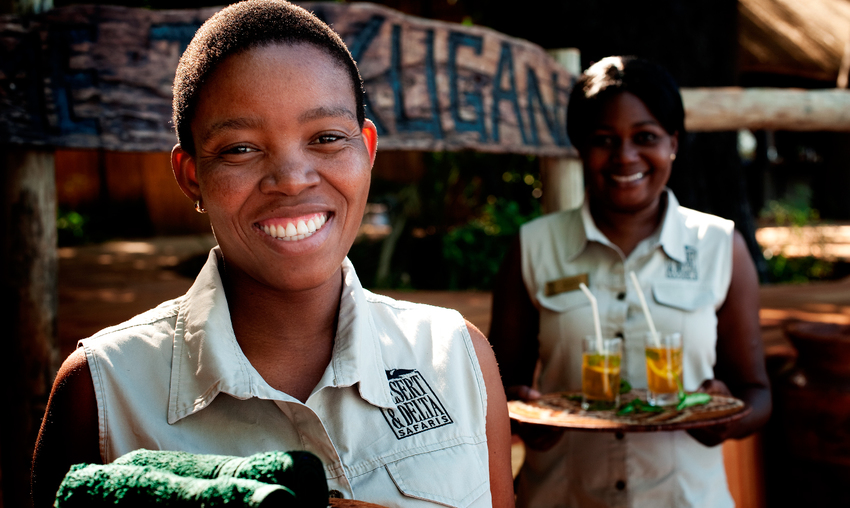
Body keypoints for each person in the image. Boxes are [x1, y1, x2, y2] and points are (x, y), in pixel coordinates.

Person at [31, 1, 514, 506]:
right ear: (191, 175)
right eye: (240, 148)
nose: (291, 179)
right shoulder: (104, 392)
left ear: (367, 149)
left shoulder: (456, 357)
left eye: (327, 138)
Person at [489, 56, 771, 508]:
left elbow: (757, 394)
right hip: (563, 497)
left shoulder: (720, 246)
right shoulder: (533, 247)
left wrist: (725, 417)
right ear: (580, 147)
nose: (625, 157)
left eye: (646, 138)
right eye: (604, 140)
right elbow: (498, 393)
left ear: (673, 143)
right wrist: (522, 416)